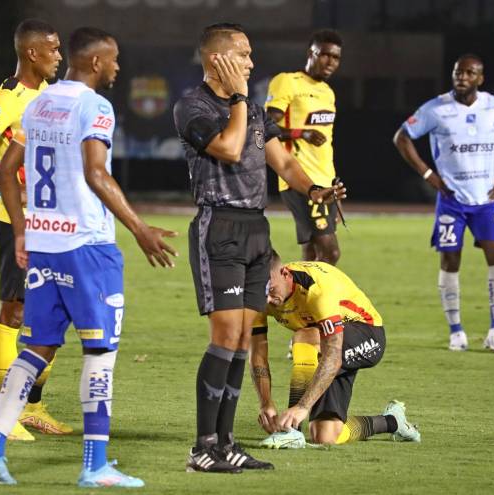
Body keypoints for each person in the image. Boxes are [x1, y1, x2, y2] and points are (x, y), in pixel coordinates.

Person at [0, 27, 176, 487]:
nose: (118, 67)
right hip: (87, 247)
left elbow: (6, 170)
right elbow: (96, 173)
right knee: (99, 351)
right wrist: (140, 230)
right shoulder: (94, 106)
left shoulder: (39, 102)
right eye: (115, 59)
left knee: (36, 350)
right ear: (98, 62)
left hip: (44, 245)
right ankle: (94, 464)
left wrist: (23, 231)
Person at [173, 22, 343, 473]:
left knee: (244, 340)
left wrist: (315, 190)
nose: (251, 62)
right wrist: (239, 97)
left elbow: (284, 161)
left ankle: (226, 443)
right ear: (218, 60)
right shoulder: (193, 105)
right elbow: (229, 148)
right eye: (243, 54)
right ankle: (202, 448)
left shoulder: (249, 107)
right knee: (224, 338)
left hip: (256, 228)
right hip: (219, 226)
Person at [0, 19, 70, 441]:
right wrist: (16, 194)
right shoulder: (10, 97)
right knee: (14, 311)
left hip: (51, 226)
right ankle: (6, 415)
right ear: (31, 53)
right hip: (16, 223)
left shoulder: (49, 96)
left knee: (49, 316)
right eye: (53, 49)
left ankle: (33, 408)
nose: (59, 56)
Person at [393, 54, 494, 353]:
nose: (462, 77)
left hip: (485, 202)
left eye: (470, 73)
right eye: (458, 72)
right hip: (451, 203)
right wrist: (428, 174)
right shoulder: (436, 108)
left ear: (480, 78)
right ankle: (456, 332)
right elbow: (402, 137)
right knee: (450, 260)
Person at [252, 250, 421, 446]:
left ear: (285, 274)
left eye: (271, 290)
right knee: (326, 436)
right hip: (325, 344)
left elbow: (333, 354)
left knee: (306, 335)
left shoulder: (316, 290)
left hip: (367, 334)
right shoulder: (256, 297)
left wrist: (302, 407)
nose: (266, 300)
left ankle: (290, 431)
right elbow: (257, 352)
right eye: (261, 292)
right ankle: (392, 421)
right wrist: (266, 402)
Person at [265, 29, 344, 266]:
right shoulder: (288, 81)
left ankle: (299, 301)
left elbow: (326, 145)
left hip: (324, 181)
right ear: (311, 53)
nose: (330, 62)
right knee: (330, 254)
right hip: (300, 180)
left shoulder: (328, 92)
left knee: (311, 254)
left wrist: (333, 186)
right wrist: (302, 133)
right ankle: (313, 301)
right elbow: (265, 126)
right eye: (325, 55)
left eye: (336, 58)